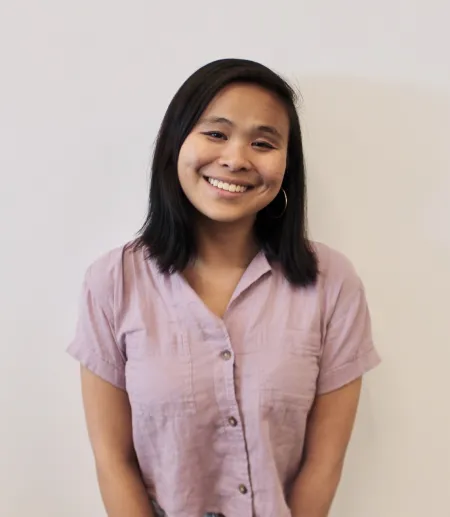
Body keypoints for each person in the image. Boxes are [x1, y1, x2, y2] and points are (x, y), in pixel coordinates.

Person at [67, 58, 381, 517]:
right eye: (216, 133)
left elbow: (324, 463)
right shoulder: (113, 282)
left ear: (287, 165)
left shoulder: (331, 282)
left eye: (263, 143)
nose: (236, 159)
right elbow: (113, 461)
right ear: (176, 143)